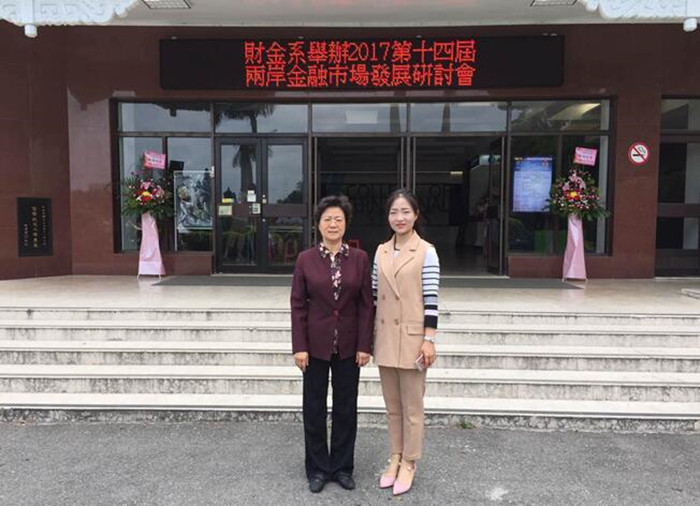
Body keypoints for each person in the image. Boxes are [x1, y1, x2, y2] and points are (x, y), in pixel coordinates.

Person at [290, 195, 374, 494]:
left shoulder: (360, 259)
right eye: (327, 219)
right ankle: (316, 468)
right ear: (318, 224)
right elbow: (298, 305)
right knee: (313, 408)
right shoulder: (305, 259)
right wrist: (299, 346)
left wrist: (365, 344)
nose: (333, 224)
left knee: (345, 408)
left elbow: (366, 305)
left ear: (346, 223)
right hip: (314, 345)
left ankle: (342, 467)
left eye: (338, 219)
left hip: (349, 346)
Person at [372, 189, 440, 496]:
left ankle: (410, 461)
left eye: (405, 212)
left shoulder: (426, 251)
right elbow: (374, 298)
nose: (399, 218)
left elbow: (431, 300)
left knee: (412, 407)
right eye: (393, 212)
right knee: (392, 407)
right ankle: (395, 457)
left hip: (413, 340)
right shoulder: (381, 251)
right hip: (386, 337)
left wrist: (429, 340)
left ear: (416, 215)